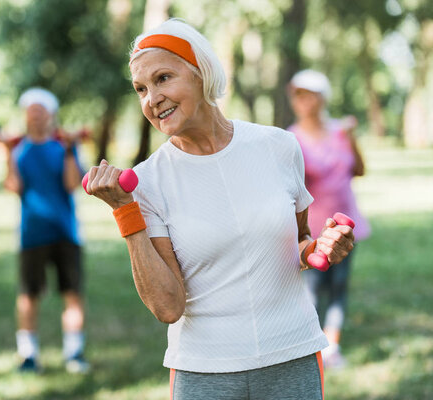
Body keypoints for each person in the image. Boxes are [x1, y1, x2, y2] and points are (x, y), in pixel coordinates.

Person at [84, 19, 355, 399]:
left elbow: (299, 243)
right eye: (141, 89)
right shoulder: (147, 181)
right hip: (206, 371)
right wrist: (125, 212)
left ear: (201, 73)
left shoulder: (278, 147)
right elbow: (167, 306)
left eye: (163, 78)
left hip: (292, 356)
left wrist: (321, 249)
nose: (151, 98)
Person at [287, 69, 370, 369]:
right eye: (297, 94)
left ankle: (331, 346)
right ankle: (311, 347)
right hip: (312, 230)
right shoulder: (290, 139)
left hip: (347, 225)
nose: (303, 100)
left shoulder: (340, 131)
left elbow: (358, 170)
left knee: (339, 286)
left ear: (323, 97)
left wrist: (352, 138)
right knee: (311, 290)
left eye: (309, 93)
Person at [4, 88, 89, 374]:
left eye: (40, 111)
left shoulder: (64, 148)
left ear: (50, 115)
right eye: (31, 112)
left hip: (66, 232)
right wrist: (7, 154)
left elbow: (72, 184)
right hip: (32, 233)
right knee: (29, 295)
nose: (36, 117)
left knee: (72, 294)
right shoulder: (19, 150)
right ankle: (28, 355)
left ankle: (74, 353)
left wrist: (68, 149)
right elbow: (14, 187)